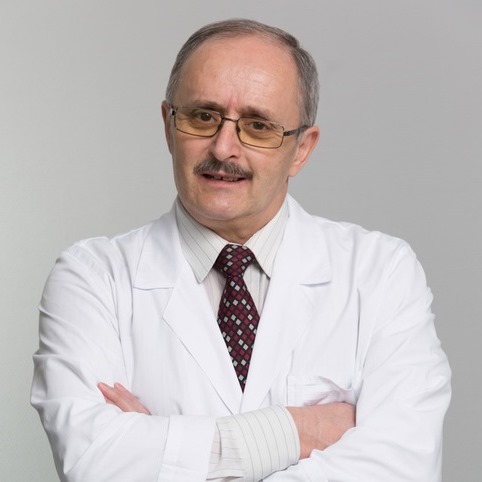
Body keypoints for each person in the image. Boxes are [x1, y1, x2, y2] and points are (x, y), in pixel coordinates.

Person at [31, 18, 451, 481]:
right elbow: (93, 463)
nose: (224, 147)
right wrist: (299, 431)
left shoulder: (380, 273)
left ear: (301, 149)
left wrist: (163, 449)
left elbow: (402, 466)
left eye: (258, 126)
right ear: (169, 126)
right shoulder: (93, 277)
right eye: (203, 117)